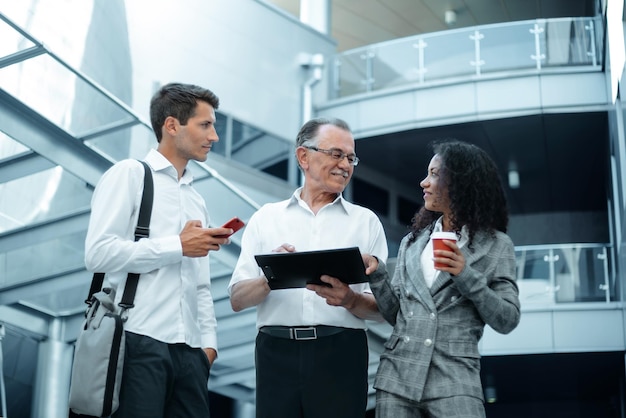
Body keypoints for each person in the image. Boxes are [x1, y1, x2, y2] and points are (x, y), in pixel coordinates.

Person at [84, 82, 233, 417]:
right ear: (172, 125)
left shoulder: (197, 199)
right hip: (137, 340)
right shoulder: (130, 175)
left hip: (191, 354)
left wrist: (208, 346)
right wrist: (177, 246)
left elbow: (201, 285)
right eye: (205, 125)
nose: (214, 137)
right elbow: (98, 253)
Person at [228, 117, 388, 418]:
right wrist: (269, 279)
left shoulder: (365, 222)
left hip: (341, 351)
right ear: (304, 156)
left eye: (351, 157)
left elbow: (383, 309)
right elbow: (237, 299)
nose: (346, 165)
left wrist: (350, 299)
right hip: (275, 351)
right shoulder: (266, 218)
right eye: (336, 154)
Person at [367, 139, 521, 418]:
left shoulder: (497, 246)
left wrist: (465, 274)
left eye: (435, 174)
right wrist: (377, 275)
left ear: (462, 183)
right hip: (397, 380)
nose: (424, 182)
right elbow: (397, 316)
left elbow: (507, 319)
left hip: (455, 380)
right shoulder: (411, 244)